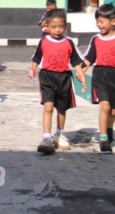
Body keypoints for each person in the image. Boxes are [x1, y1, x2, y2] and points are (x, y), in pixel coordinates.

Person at [74, 4, 115, 154]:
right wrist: (81, 71)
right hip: (99, 75)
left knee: (113, 111)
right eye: (97, 21)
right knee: (104, 106)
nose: (99, 24)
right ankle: (103, 139)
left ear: (114, 21)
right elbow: (89, 59)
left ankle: (109, 129)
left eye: (102, 21)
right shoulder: (95, 39)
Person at [28, 9, 85, 155]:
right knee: (48, 107)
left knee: (61, 108)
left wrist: (81, 73)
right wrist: (32, 70)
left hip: (64, 78)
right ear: (47, 26)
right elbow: (36, 58)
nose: (58, 30)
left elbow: (76, 60)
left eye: (61, 26)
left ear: (65, 26)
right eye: (54, 27)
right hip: (47, 77)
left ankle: (59, 135)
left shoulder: (69, 42)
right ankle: (46, 138)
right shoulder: (44, 41)